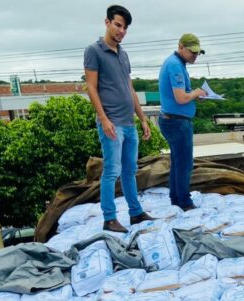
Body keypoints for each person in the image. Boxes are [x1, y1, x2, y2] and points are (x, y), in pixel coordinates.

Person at [84, 5, 154, 233]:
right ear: (107, 22)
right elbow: (91, 88)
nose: (121, 31)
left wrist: (142, 118)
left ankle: (135, 213)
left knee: (129, 170)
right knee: (111, 171)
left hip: (129, 123)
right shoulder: (94, 51)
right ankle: (110, 218)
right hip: (111, 122)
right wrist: (103, 119)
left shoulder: (123, 54)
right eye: (118, 25)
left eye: (124, 28)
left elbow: (129, 88)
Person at [158, 33, 208, 211]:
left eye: (197, 53)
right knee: (184, 163)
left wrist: (195, 95)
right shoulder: (175, 65)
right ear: (181, 47)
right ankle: (185, 202)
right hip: (176, 122)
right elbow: (180, 98)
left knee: (177, 162)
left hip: (173, 119)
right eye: (192, 52)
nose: (194, 56)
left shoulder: (176, 63)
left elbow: (180, 95)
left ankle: (175, 198)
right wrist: (196, 92)